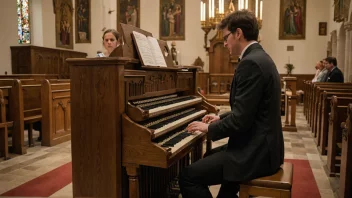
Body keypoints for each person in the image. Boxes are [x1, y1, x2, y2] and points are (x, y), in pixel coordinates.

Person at [179, 10, 284, 198]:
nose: (225, 42)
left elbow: (241, 121)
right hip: (263, 147)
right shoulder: (260, 57)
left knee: (188, 176)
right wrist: (220, 117)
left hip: (256, 153)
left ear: (238, 33)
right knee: (209, 157)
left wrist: (208, 129)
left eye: (226, 37)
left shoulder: (250, 63)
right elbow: (250, 109)